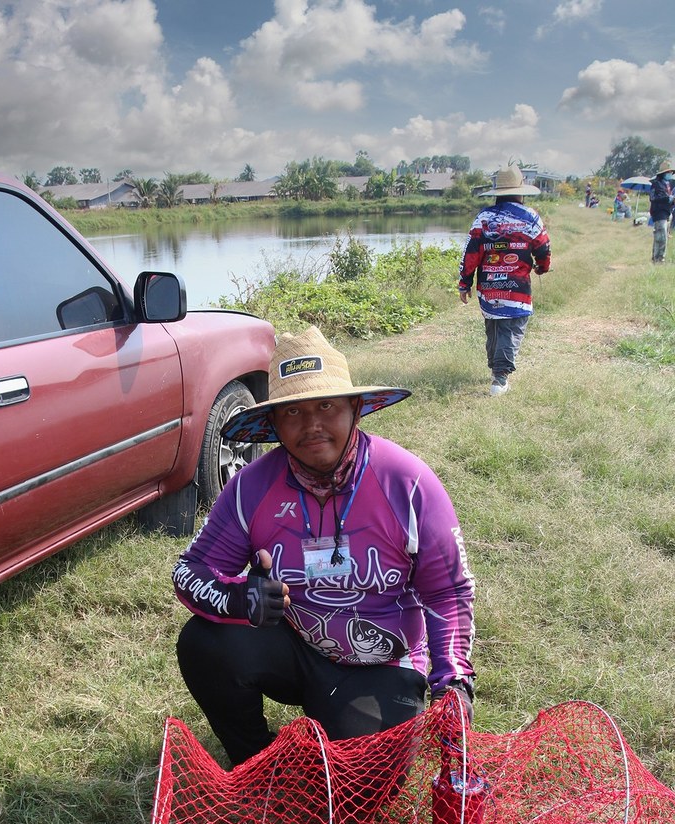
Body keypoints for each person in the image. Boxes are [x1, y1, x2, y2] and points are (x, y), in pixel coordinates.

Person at [171, 326, 475, 767]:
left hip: (383, 664)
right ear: (273, 424)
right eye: (292, 412)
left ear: (355, 408)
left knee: (362, 782)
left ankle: (346, 732)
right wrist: (241, 599)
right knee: (203, 644)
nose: (311, 425)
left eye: (326, 406)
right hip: (294, 646)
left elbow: (448, 592)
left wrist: (453, 682)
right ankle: (253, 761)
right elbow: (189, 572)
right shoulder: (249, 488)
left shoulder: (408, 483)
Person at [458, 165, 551, 396]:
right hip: (517, 288)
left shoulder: (483, 218)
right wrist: (542, 267)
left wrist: (464, 283)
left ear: (497, 193)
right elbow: (543, 247)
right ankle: (500, 378)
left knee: (494, 327)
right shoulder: (530, 217)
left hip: (488, 287)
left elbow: (470, 253)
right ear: (521, 192)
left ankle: (496, 369)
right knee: (512, 329)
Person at [649, 161, 673, 263]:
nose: (670, 174)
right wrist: (669, 198)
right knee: (661, 236)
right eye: (669, 172)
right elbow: (654, 198)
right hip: (659, 212)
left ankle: (656, 258)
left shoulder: (667, 184)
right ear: (663, 173)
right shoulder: (656, 184)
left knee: (662, 236)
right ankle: (659, 259)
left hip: (667, 212)